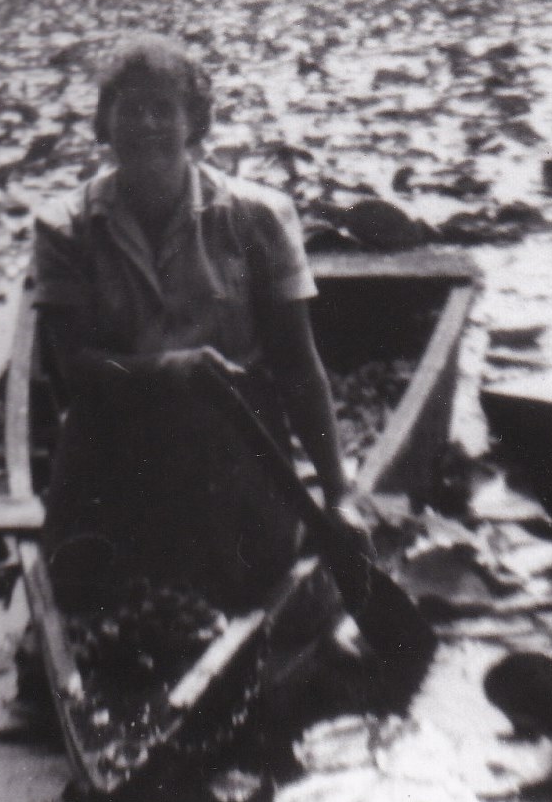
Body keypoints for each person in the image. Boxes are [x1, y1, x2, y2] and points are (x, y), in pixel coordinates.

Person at [30, 33, 364, 614]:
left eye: (165, 109)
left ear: (195, 123)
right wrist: (171, 370)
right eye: (129, 109)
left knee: (240, 582)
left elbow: (297, 365)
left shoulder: (257, 216)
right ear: (104, 125)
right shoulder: (64, 225)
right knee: (84, 592)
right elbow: (73, 370)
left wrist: (339, 495)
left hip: (233, 435)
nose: (147, 124)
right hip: (113, 436)